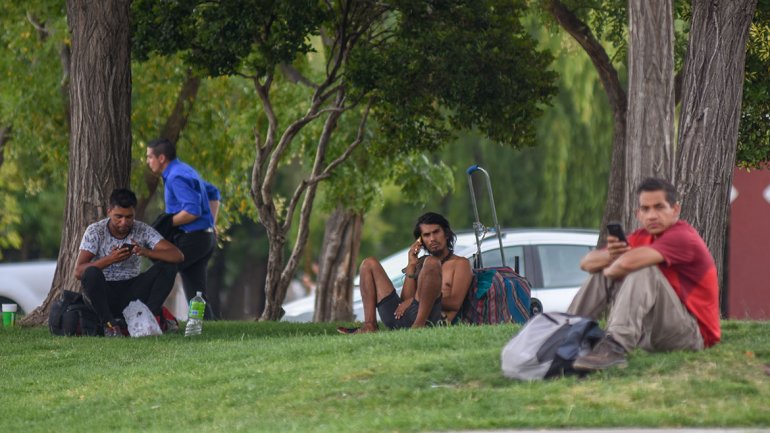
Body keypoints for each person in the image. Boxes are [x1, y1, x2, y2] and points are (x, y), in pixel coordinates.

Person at [568, 177, 720, 370]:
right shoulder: (641, 237)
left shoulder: (683, 237)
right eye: (645, 209)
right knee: (601, 272)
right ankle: (566, 335)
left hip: (691, 335)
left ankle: (615, 347)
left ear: (675, 209)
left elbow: (626, 263)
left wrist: (615, 263)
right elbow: (586, 263)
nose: (652, 215)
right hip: (651, 333)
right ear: (637, 214)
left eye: (659, 207)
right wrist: (611, 258)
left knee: (643, 269)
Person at [340, 212, 473, 334]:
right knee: (369, 263)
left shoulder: (461, 264)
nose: (432, 238)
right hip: (404, 318)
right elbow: (404, 300)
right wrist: (411, 265)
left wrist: (412, 301)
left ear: (447, 233)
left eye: (436, 232)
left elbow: (455, 303)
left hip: (431, 320)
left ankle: (418, 328)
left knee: (432, 263)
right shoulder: (422, 263)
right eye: (426, 235)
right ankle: (370, 325)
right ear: (421, 241)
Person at [75, 188, 184, 337]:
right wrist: (110, 259)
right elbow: (79, 271)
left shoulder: (142, 229)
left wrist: (146, 252)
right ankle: (110, 326)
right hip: (104, 293)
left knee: (168, 266)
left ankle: (147, 319)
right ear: (109, 212)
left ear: (134, 213)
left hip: (132, 290)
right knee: (91, 272)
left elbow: (178, 255)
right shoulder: (95, 231)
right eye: (118, 216)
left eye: (129, 217)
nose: (124, 222)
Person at [146, 138, 221, 319]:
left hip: (192, 239)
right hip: (204, 239)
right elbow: (213, 192)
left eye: (149, 157)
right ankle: (201, 327)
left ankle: (146, 320)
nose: (148, 161)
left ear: (161, 158)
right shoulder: (185, 170)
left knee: (161, 270)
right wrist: (211, 223)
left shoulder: (175, 177)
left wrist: (167, 223)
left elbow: (192, 211)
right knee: (196, 292)